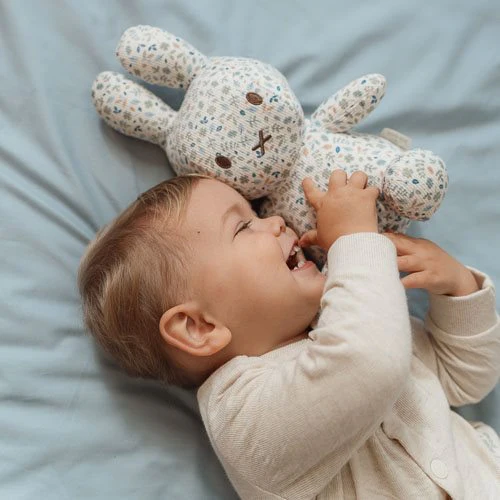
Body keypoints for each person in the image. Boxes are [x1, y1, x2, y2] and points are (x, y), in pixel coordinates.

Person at [78, 170, 500, 499]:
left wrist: (459, 289)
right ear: (199, 327)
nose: (276, 221)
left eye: (257, 213)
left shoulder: (346, 313)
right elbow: (369, 362)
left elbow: (464, 381)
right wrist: (354, 239)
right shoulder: (242, 419)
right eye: (243, 227)